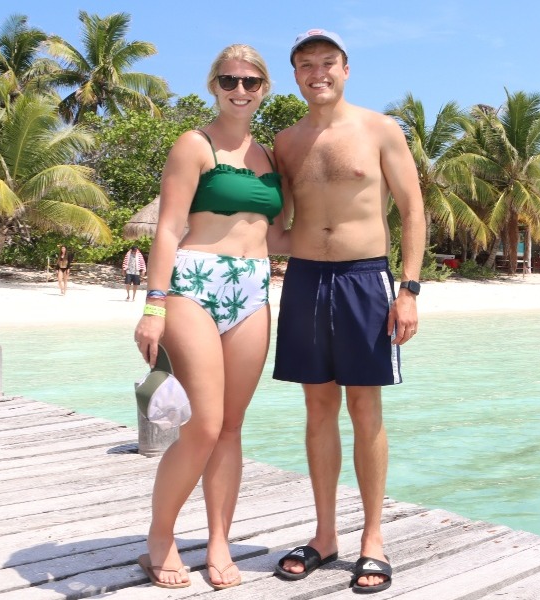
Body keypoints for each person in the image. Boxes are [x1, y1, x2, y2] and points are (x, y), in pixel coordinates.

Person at [270, 29, 424, 594]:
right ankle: (325, 535)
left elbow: (412, 209)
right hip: (305, 279)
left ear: (346, 68)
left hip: (366, 278)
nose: (318, 73)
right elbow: (276, 222)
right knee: (317, 406)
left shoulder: (381, 128)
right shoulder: (285, 142)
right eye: (306, 64)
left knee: (365, 406)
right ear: (295, 75)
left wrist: (408, 288)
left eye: (328, 62)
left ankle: (373, 540)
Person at [132, 43, 283, 591]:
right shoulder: (193, 144)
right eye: (229, 80)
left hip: (254, 287)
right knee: (203, 427)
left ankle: (219, 540)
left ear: (265, 88)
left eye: (250, 81)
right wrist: (154, 305)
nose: (239, 90)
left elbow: (279, 231)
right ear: (213, 85)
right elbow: (169, 228)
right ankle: (160, 538)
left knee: (232, 429)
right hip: (193, 284)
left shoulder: (269, 156)